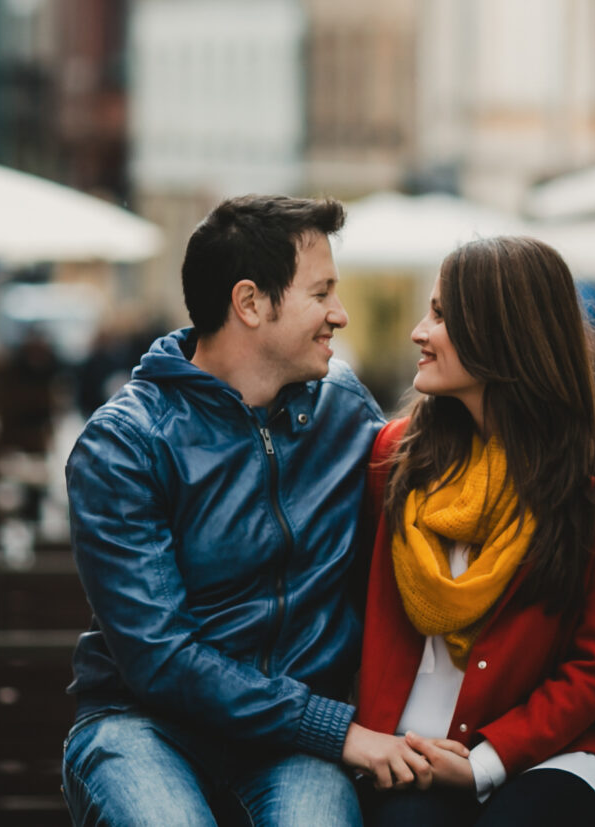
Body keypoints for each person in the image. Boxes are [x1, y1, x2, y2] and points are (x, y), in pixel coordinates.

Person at [63, 195, 432, 827]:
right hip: (144, 728)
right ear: (251, 303)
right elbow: (163, 660)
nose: (339, 316)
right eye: (321, 294)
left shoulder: (343, 408)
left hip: (293, 747)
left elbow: (431, 497)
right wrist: (335, 730)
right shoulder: (125, 444)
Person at [355, 237, 595, 827]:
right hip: (416, 744)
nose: (420, 332)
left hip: (569, 748)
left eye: (442, 315)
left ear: (502, 332)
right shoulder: (397, 456)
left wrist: (484, 762)